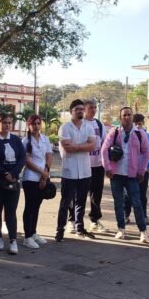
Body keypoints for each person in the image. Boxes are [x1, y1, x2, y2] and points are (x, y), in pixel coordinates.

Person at [101, 107, 149, 244]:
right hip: (116, 174)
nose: (127, 117)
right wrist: (107, 167)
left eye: (129, 115)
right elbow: (104, 149)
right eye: (124, 115)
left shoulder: (140, 134)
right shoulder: (114, 132)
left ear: (132, 116)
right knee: (118, 203)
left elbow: (147, 152)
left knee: (137, 203)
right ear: (120, 117)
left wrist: (142, 170)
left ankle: (143, 231)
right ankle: (121, 228)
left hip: (132, 175)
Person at [0, 112, 26, 254]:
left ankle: (13, 241)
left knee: (11, 212)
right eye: (5, 122)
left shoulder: (16, 139)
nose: (8, 125)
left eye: (9, 122)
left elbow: (22, 158)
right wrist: (5, 173)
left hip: (13, 181)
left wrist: (13, 174)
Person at [55, 99, 96, 242]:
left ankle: (80, 228)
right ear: (71, 111)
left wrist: (76, 147)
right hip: (70, 172)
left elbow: (93, 146)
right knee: (65, 203)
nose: (80, 111)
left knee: (81, 202)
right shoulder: (65, 128)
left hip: (85, 171)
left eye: (82, 109)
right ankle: (60, 230)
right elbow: (67, 147)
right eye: (77, 109)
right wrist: (83, 146)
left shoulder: (88, 127)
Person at [68, 99, 106, 233]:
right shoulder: (79, 124)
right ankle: (72, 221)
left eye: (95, 107)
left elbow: (103, 145)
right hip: (82, 165)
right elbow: (73, 145)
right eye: (90, 107)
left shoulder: (99, 125)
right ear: (84, 109)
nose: (93, 110)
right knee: (76, 195)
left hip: (97, 166)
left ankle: (94, 220)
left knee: (96, 195)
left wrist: (105, 163)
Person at [22, 114, 52, 249]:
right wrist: (42, 173)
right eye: (34, 123)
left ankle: (33, 233)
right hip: (30, 178)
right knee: (30, 206)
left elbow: (49, 157)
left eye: (39, 123)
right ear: (29, 125)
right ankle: (27, 237)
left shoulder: (45, 139)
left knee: (37, 206)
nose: (36, 126)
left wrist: (45, 175)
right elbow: (27, 161)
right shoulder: (25, 141)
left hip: (43, 177)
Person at [124, 113, 149, 227]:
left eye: (140, 123)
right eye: (135, 123)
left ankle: (144, 216)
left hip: (143, 171)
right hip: (129, 171)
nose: (137, 126)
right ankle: (125, 215)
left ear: (143, 124)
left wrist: (148, 167)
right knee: (127, 194)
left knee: (142, 195)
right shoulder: (127, 135)